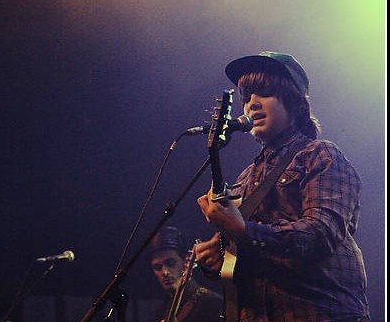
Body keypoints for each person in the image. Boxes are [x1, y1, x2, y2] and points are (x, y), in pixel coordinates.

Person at [195, 52, 370, 322]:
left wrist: (242, 230)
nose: (251, 103)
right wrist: (217, 255)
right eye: (246, 96)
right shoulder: (245, 178)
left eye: (264, 92)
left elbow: (320, 233)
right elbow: (250, 258)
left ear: (294, 102)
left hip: (320, 312)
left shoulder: (321, 155)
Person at [148, 225, 223, 322]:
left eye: (171, 263)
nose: (165, 272)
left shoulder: (212, 303)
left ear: (186, 261)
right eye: (158, 267)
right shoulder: (161, 311)